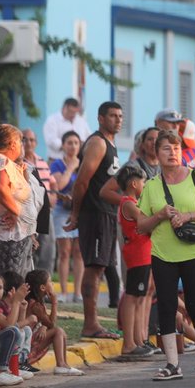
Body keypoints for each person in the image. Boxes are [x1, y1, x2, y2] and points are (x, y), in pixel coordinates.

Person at [135, 129, 195, 380]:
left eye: (176, 148)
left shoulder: (194, 177)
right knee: (167, 306)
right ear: (156, 154)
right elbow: (141, 225)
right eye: (166, 148)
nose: (172, 153)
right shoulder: (151, 186)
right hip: (163, 254)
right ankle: (172, 363)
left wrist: (188, 216)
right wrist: (160, 215)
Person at [68, 101, 123, 340]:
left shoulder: (111, 143)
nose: (118, 120)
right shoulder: (98, 143)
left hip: (108, 214)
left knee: (101, 268)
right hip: (95, 213)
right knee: (93, 268)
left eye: (120, 116)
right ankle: (90, 324)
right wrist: (75, 214)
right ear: (101, 118)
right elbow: (82, 181)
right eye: (113, 116)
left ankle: (94, 323)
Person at [115, 164, 154, 358]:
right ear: (133, 183)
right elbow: (146, 222)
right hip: (137, 255)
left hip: (143, 253)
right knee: (132, 298)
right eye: (143, 182)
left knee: (139, 297)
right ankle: (129, 343)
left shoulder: (132, 202)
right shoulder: (128, 203)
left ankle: (138, 340)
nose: (144, 185)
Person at [0, 126, 43, 278]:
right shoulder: (1, 160)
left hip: (20, 235)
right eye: (20, 141)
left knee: (17, 281)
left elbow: (17, 193)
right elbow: (1, 187)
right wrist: (15, 212)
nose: (21, 145)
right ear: (12, 144)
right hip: (8, 235)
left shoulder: (9, 163)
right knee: (9, 281)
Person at [22, 269, 85, 376]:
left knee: (60, 333)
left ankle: (64, 365)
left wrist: (44, 327)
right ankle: (61, 365)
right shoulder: (35, 305)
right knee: (58, 332)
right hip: (25, 346)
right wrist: (54, 302)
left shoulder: (36, 302)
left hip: (28, 343)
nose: (53, 284)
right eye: (50, 282)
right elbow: (51, 324)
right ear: (42, 287)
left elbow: (46, 324)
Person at [49, 132, 83, 303]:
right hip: (61, 211)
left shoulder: (83, 163)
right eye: (69, 142)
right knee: (64, 252)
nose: (73, 146)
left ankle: (77, 293)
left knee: (78, 252)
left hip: (79, 210)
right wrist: (70, 168)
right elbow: (59, 185)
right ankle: (63, 292)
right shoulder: (57, 164)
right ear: (63, 145)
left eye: (76, 142)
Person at [21, 130, 56, 272]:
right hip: (28, 211)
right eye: (25, 139)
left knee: (48, 245)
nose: (28, 143)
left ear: (36, 143)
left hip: (46, 211)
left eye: (31, 140)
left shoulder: (41, 161)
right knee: (30, 246)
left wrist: (53, 196)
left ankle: (44, 281)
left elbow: (52, 181)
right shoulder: (20, 162)